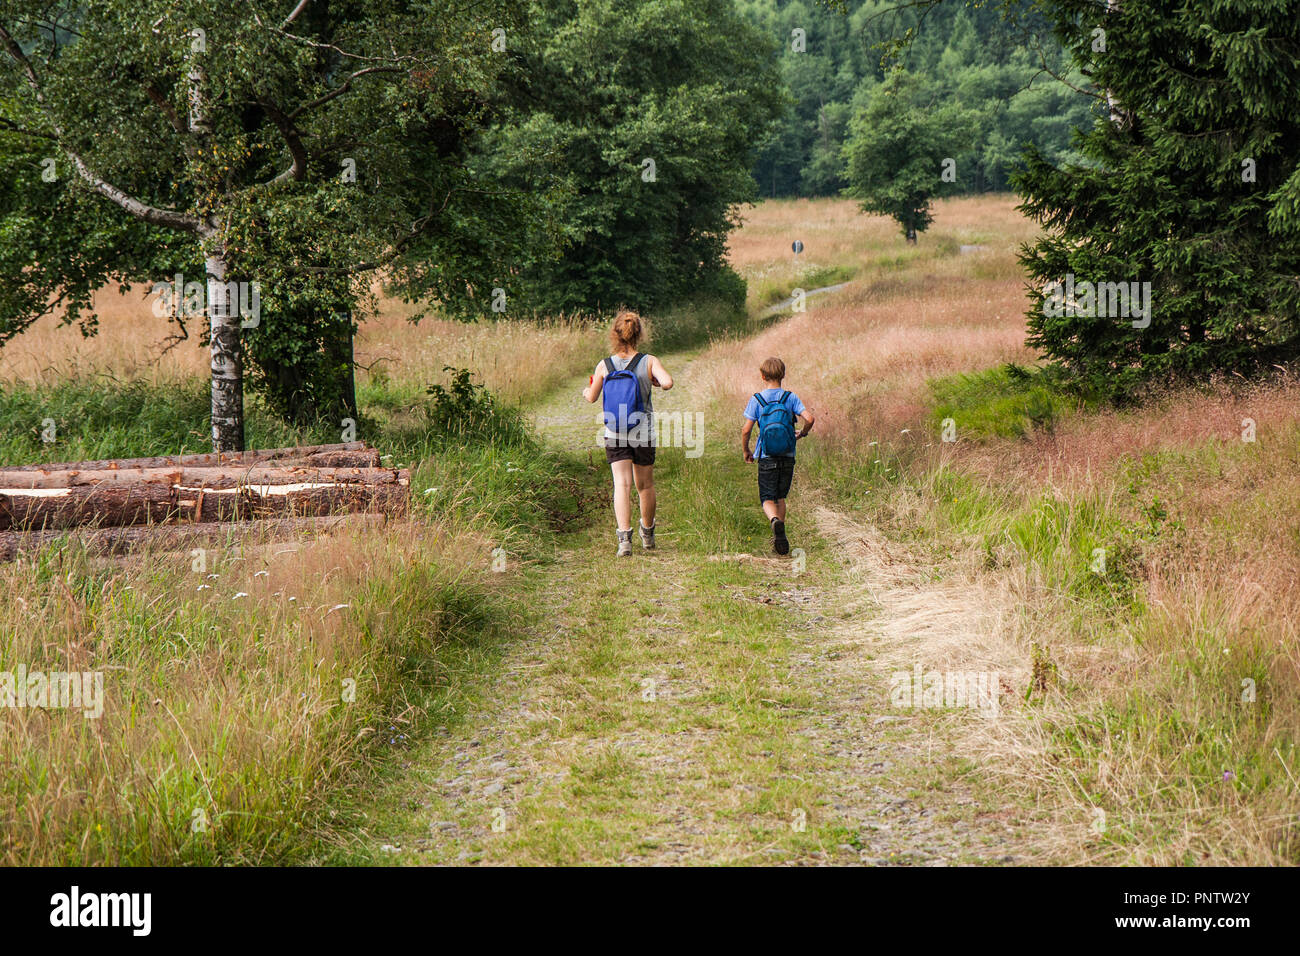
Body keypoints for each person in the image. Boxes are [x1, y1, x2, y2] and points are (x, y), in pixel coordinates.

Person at [583, 310, 674, 556]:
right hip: (642, 431)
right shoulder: (649, 361)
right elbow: (667, 382)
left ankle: (624, 540)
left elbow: (591, 397)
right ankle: (648, 533)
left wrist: (586, 389)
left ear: (615, 334)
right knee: (645, 485)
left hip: (615, 432)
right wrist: (655, 381)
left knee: (621, 485)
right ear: (639, 334)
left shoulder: (605, 365)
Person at [741, 357, 814, 555]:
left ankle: (774, 522)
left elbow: (746, 430)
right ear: (783, 375)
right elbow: (809, 418)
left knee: (767, 497)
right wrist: (803, 432)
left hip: (767, 456)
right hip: (788, 455)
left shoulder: (757, 399)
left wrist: (747, 450)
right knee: (780, 496)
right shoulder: (790, 398)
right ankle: (779, 534)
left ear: (762, 376)